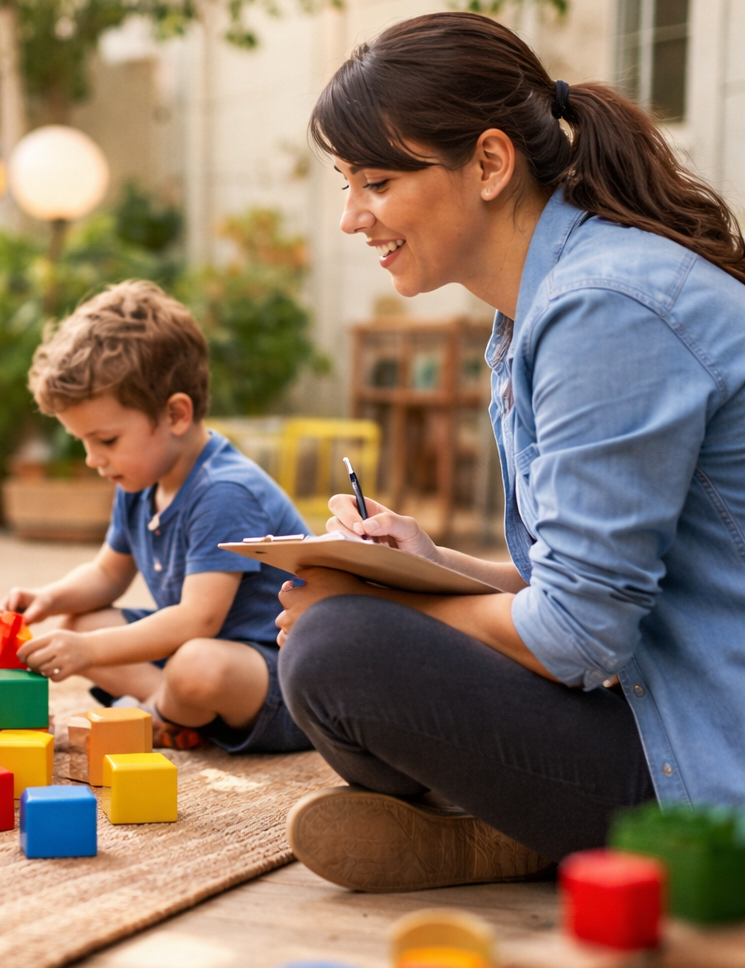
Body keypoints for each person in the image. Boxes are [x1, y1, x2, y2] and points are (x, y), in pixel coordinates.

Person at [275, 12, 745, 893]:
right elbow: (585, 588)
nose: (350, 218)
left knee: (338, 648)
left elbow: (576, 638)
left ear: (490, 163)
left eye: (375, 180)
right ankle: (526, 830)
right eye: (345, 183)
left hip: (711, 756)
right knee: (337, 631)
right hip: (653, 701)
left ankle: (531, 835)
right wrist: (430, 567)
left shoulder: (604, 308)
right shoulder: (543, 307)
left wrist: (388, 610)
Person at [0, 280, 312, 753]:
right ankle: (177, 714)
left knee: (197, 664)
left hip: (278, 680)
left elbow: (197, 621)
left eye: (106, 440)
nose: (92, 459)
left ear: (176, 415)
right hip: (200, 650)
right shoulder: (140, 480)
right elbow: (107, 573)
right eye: (84, 442)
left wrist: (87, 655)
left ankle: (161, 713)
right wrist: (51, 598)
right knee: (80, 624)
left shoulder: (224, 491)